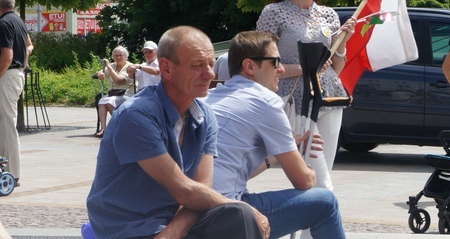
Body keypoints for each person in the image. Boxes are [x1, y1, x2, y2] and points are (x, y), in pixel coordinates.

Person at [86, 26, 266, 239]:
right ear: (167, 68)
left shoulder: (204, 115)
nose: (210, 73)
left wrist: (174, 232)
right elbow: (184, 191)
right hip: (128, 230)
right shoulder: (137, 115)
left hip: (171, 222)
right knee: (241, 214)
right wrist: (243, 208)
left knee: (239, 216)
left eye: (210, 63)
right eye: (198, 65)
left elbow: (200, 189)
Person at [205, 31, 345, 238]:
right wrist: (311, 170)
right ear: (250, 66)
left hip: (197, 209)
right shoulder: (266, 101)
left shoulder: (211, 97)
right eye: (275, 61)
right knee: (325, 202)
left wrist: (277, 155)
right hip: (227, 214)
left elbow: (230, 172)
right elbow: (303, 181)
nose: (281, 69)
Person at [256, 0, 356, 191]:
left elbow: (335, 68)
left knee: (321, 177)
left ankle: (311, 227)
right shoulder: (274, 13)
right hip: (296, 103)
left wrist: (343, 44)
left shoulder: (329, 16)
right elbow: (264, 65)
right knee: (318, 182)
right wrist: (305, 69)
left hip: (330, 98)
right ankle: (325, 220)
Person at [0, 0, 30, 186]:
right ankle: (7, 170)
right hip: (15, 74)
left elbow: (7, 56)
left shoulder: (3, 24)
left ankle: (11, 173)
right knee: (4, 124)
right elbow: (29, 46)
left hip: (7, 75)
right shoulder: (18, 20)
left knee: (7, 125)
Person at [94, 46, 134, 137]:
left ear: (126, 56)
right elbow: (99, 73)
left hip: (127, 93)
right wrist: (99, 74)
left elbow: (119, 80)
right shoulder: (113, 65)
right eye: (116, 56)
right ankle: (103, 129)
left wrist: (108, 66)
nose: (118, 58)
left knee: (110, 102)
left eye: (120, 55)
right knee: (101, 102)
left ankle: (120, 126)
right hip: (113, 93)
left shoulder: (129, 67)